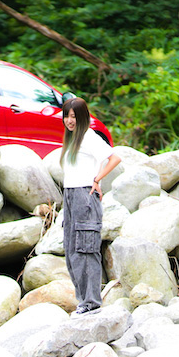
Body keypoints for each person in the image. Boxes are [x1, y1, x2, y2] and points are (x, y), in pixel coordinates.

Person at [60, 97, 121, 316]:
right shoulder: (72, 139)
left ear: (83, 117)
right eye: (66, 116)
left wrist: (97, 180)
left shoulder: (89, 137)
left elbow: (114, 158)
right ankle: (83, 301)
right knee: (72, 249)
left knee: (86, 250)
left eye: (74, 116)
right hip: (71, 196)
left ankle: (92, 302)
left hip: (84, 196)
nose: (69, 121)